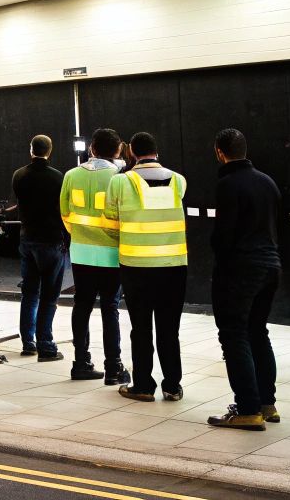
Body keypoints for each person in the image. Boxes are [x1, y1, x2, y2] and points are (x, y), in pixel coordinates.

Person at [205, 128, 282, 430]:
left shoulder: (227, 184)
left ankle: (247, 408)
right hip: (271, 265)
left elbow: (224, 235)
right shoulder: (268, 182)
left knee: (234, 335)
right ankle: (267, 402)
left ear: (220, 152)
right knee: (257, 332)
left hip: (240, 268)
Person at [106, 132, 188, 403]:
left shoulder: (120, 182)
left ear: (131, 152)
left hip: (136, 264)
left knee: (140, 328)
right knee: (169, 329)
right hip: (174, 265)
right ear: (156, 151)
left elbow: (110, 220)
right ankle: (173, 386)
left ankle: (142, 385)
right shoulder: (179, 181)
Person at [61, 128, 129, 386]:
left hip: (80, 250)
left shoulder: (71, 175)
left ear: (91, 149)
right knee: (110, 307)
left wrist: (80, 235)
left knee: (82, 305)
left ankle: (81, 363)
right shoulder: (119, 177)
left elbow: (65, 212)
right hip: (112, 252)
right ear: (118, 151)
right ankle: (113, 367)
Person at [12, 135, 67, 362]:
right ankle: (46, 345)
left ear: (31, 149)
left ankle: (28, 342)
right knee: (49, 295)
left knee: (30, 293)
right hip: (51, 240)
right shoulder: (57, 177)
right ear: (50, 151)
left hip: (27, 239)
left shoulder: (19, 175)